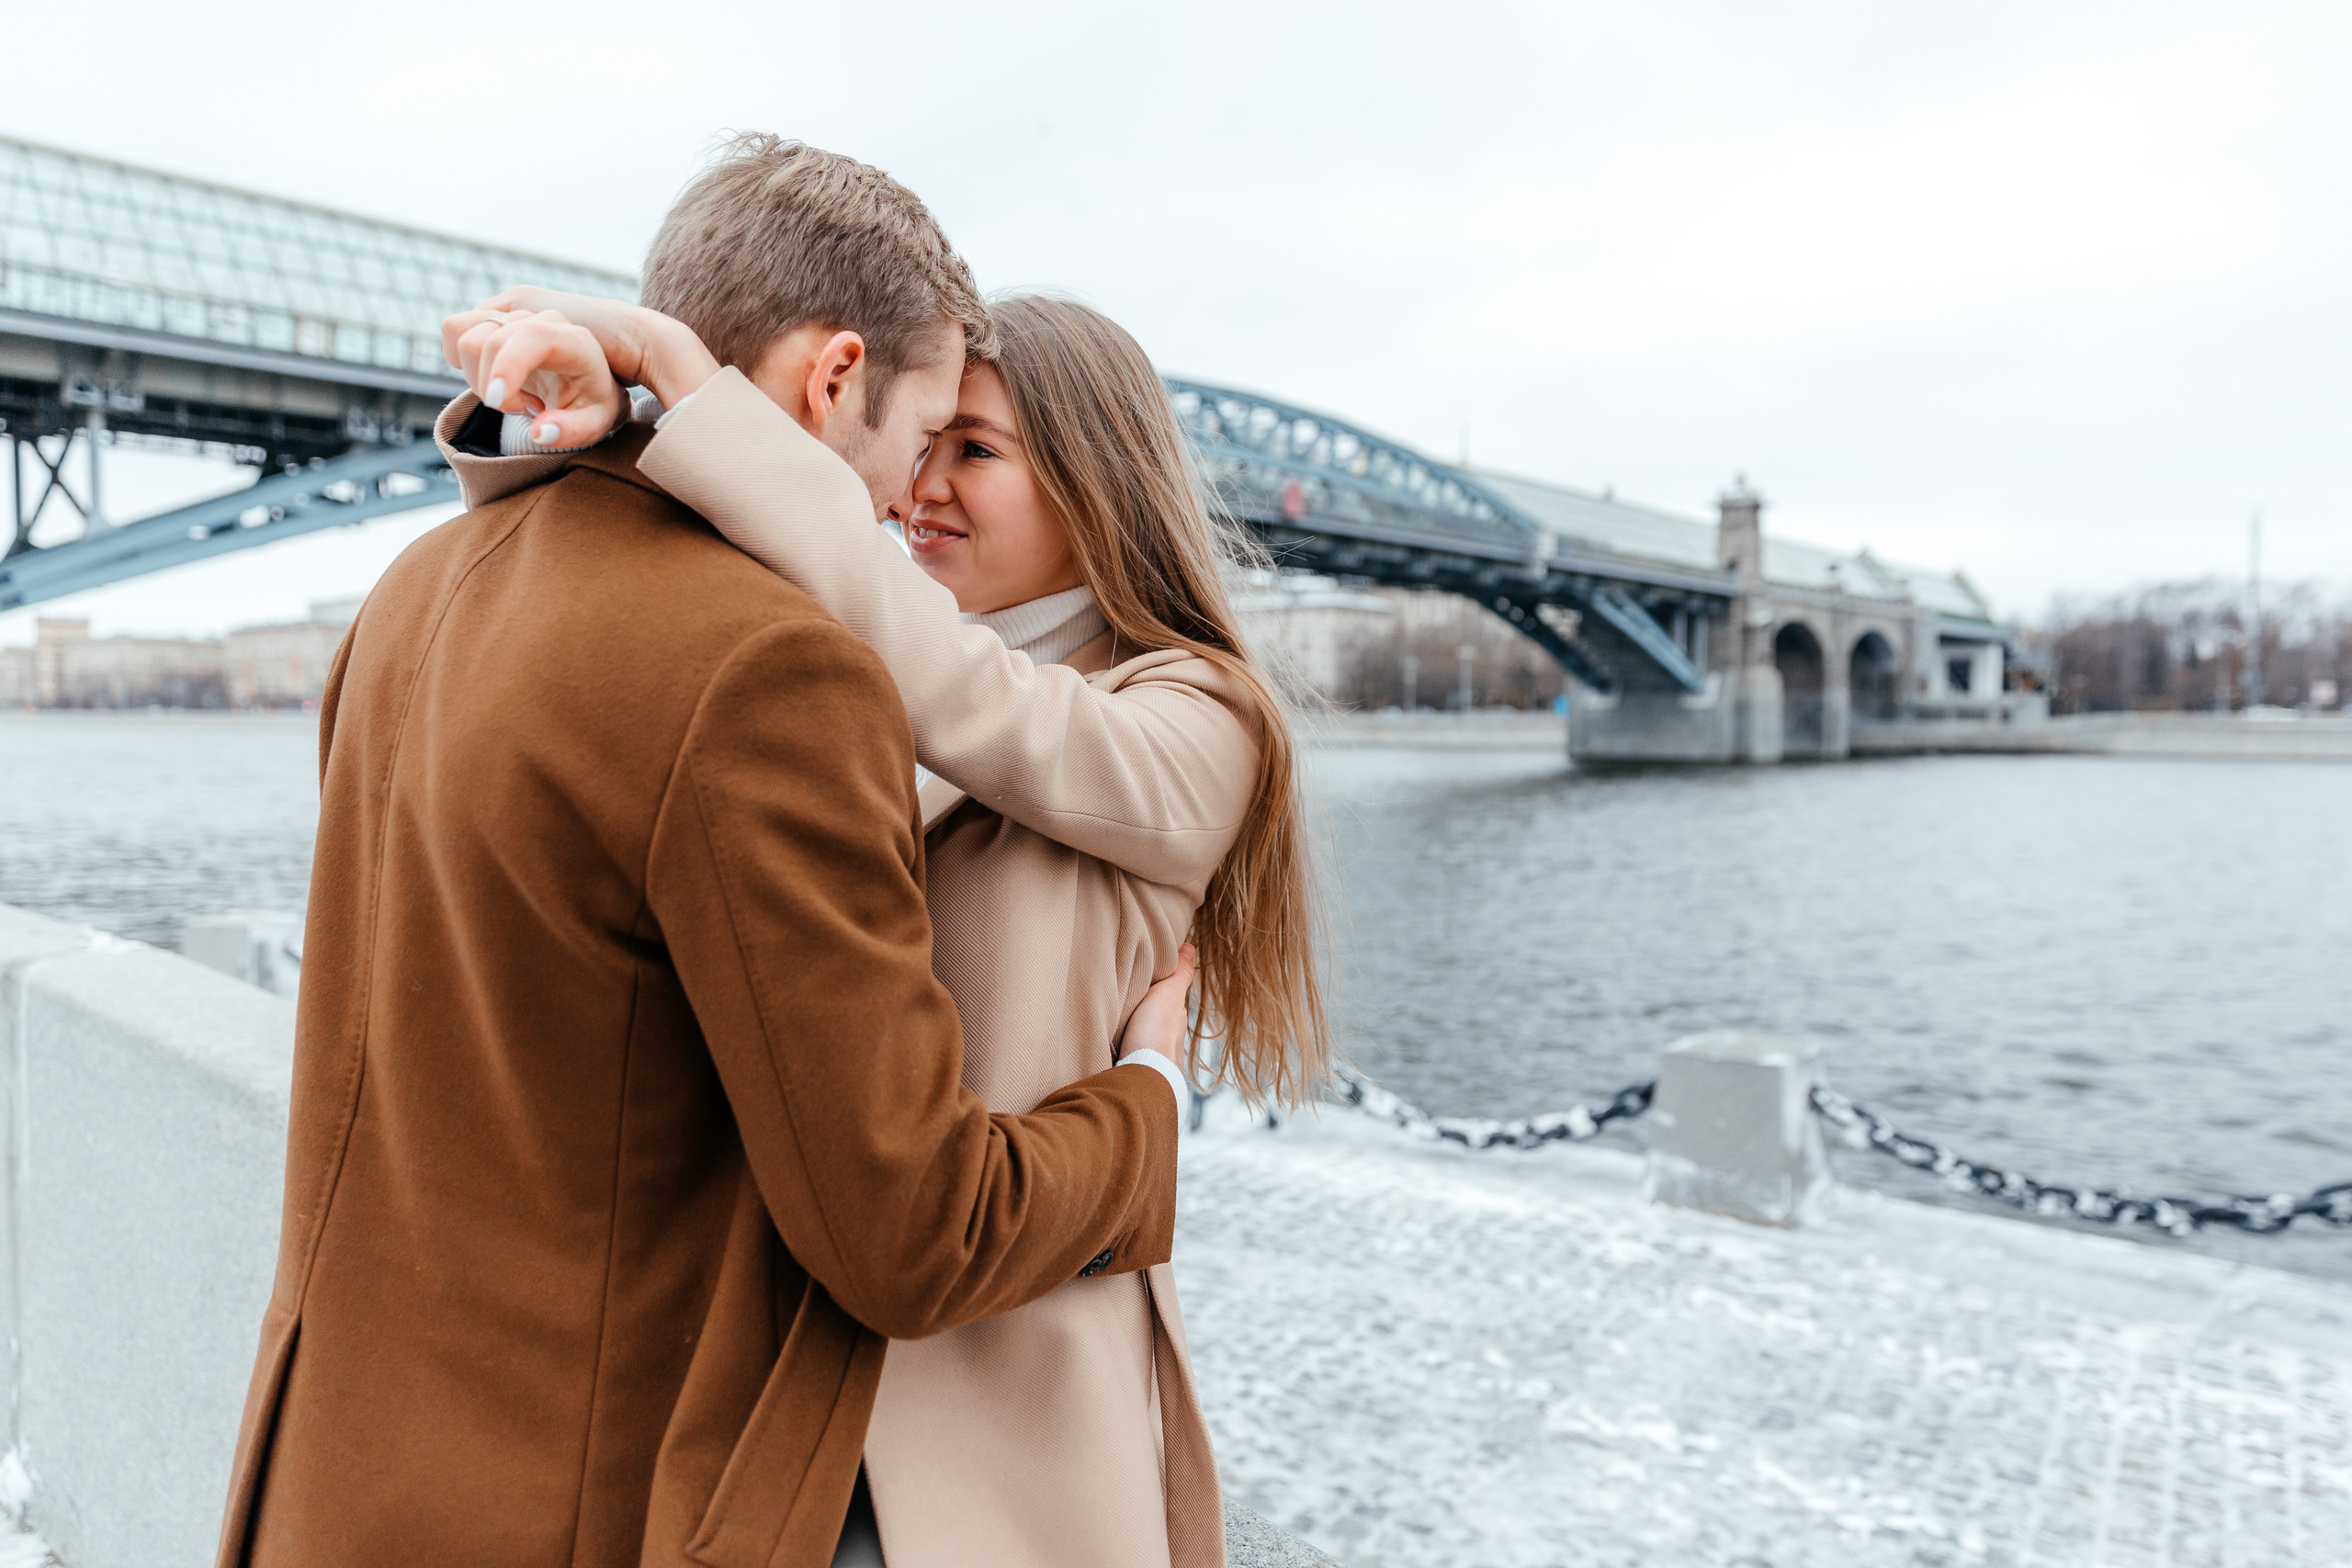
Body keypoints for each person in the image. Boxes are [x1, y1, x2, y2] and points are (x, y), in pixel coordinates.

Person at [218, 138, 1202, 1568]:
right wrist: (1149, 1105)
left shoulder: (415, 591)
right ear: (834, 376)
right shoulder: (770, 673)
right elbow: (910, 1231)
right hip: (573, 1504)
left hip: (337, 1478)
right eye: (921, 432)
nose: (906, 496)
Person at [441, 214, 1331, 1568]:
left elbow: (983, 707)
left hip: (1001, 1395)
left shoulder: (1194, 719)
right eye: (925, 446)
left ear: (1099, 480)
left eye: (973, 452)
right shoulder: (866, 673)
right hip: (790, 1394)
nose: (920, 488)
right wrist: (585, 422)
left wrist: (692, 385)